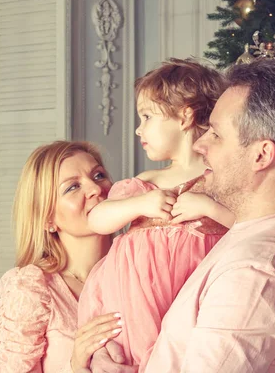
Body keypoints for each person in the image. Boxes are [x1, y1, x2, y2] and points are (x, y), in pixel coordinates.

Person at [92, 58, 275, 372]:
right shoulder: (264, 236)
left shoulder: (255, 275)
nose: (200, 143)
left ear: (261, 155)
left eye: (216, 135)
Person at [78, 58, 235, 369]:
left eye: (147, 116)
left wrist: (209, 208)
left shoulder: (219, 181)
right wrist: (140, 205)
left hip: (193, 294)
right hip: (138, 302)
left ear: (185, 115)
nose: (139, 129)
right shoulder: (146, 182)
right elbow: (96, 219)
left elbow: (250, 229)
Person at [0, 141, 125, 373]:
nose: (96, 189)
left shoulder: (138, 266)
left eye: (99, 175)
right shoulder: (31, 290)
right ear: (48, 219)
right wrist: (75, 364)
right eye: (72, 187)